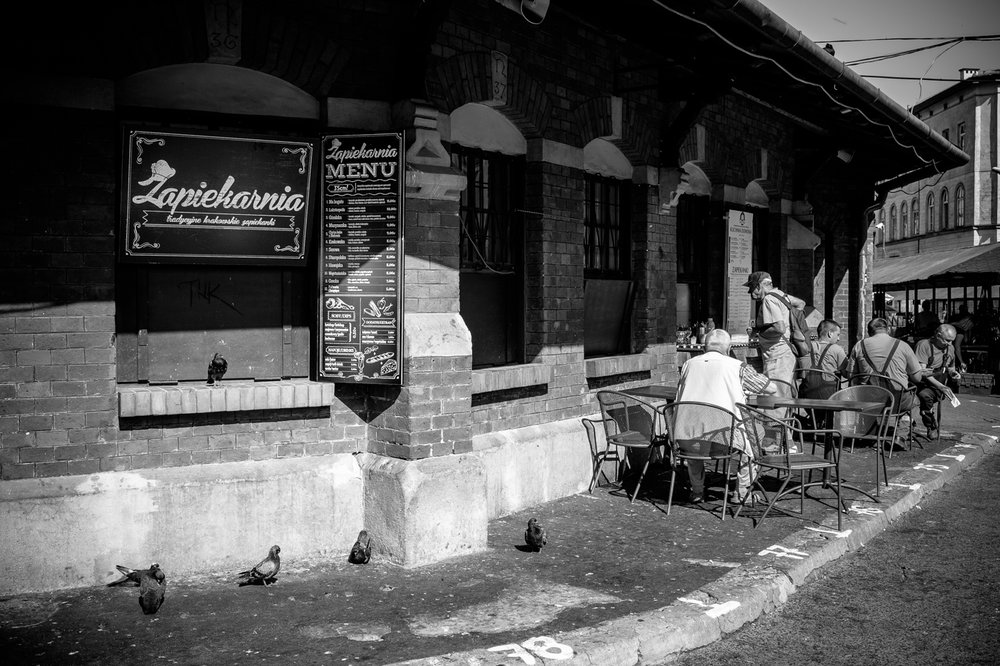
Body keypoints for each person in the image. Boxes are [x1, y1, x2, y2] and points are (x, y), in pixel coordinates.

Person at [673, 328, 777, 504]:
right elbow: (771, 388)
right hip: (722, 442)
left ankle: (697, 491)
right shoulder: (737, 366)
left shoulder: (688, 365)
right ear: (728, 349)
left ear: (704, 348)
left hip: (686, 438)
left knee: (696, 433)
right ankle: (742, 492)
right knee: (756, 433)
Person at [843, 317, 924, 415]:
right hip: (897, 399)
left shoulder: (859, 345)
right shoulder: (903, 345)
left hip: (868, 399)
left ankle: (870, 426)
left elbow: (850, 375)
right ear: (888, 330)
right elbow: (917, 378)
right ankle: (902, 427)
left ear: (869, 332)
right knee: (915, 401)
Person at [745, 271, 806, 387]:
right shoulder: (781, 295)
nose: (750, 292)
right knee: (785, 393)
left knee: (776, 396)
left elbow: (779, 329)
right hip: (786, 352)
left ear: (759, 285)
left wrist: (758, 333)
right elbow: (801, 303)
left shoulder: (769, 299)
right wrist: (792, 325)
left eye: (751, 287)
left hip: (777, 355)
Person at [913, 324, 961, 438]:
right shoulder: (924, 345)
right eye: (947, 340)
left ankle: (931, 425)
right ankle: (922, 423)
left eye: (952, 341)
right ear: (938, 335)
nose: (949, 344)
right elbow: (922, 372)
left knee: (925, 395)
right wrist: (941, 387)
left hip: (937, 385)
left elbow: (950, 367)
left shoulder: (950, 348)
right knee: (920, 394)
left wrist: (953, 373)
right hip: (922, 382)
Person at [797, 318, 847, 399]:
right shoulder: (837, 349)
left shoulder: (806, 348)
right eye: (838, 334)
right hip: (829, 396)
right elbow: (847, 374)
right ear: (830, 333)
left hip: (806, 396)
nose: (838, 339)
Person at [948, 304, 974, 372]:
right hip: (960, 354)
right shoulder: (961, 327)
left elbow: (957, 346)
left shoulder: (965, 322)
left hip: (962, 351)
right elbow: (957, 346)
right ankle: (962, 364)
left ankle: (962, 363)